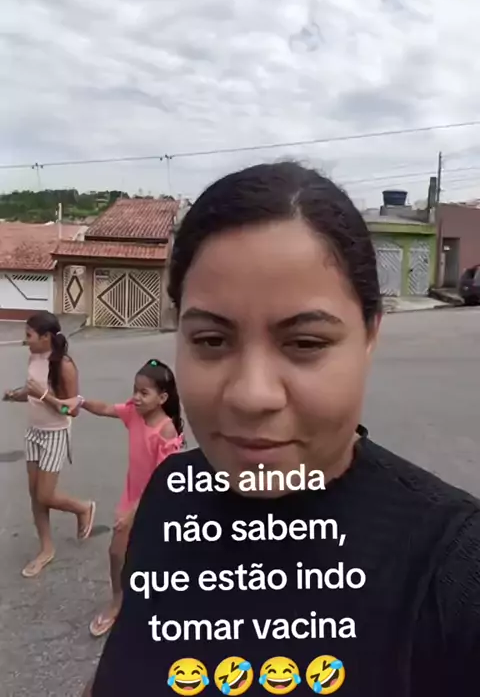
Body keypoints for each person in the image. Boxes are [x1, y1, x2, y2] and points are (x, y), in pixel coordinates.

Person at [83, 162, 480, 697]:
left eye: (305, 343)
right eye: (211, 341)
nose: (252, 395)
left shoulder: (454, 570)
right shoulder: (169, 495)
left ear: (370, 335)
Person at [65, 358, 184, 638]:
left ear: (162, 398)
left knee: (155, 556)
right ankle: (118, 600)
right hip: (131, 500)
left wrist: (134, 513)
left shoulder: (165, 430)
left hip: (155, 504)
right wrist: (81, 401)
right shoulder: (134, 414)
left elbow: (162, 481)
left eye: (144, 392)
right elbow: (106, 408)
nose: (136, 397)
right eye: (135, 390)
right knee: (116, 553)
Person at [3, 311, 95, 578]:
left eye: (29, 335)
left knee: (45, 495)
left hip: (55, 434)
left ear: (46, 337)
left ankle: (83, 507)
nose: (25, 340)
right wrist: (16, 395)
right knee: (35, 495)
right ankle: (46, 549)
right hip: (33, 432)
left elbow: (72, 410)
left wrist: (43, 395)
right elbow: (32, 392)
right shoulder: (34, 356)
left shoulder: (64, 365)